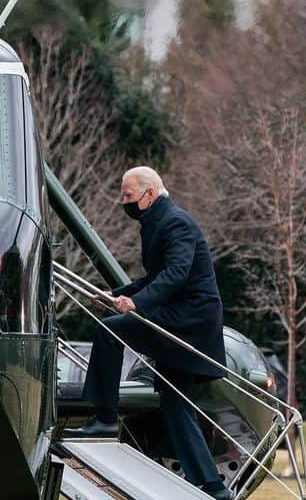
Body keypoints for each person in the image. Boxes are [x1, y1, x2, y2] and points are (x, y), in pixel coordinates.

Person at [67, 167, 232, 500]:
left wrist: (137, 303)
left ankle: (105, 418)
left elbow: (176, 274)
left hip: (189, 321)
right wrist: (119, 295)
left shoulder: (175, 222)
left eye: (128, 196)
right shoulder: (157, 223)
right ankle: (214, 488)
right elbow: (155, 276)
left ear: (150, 194)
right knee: (175, 404)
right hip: (182, 315)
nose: (124, 202)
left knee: (109, 332)